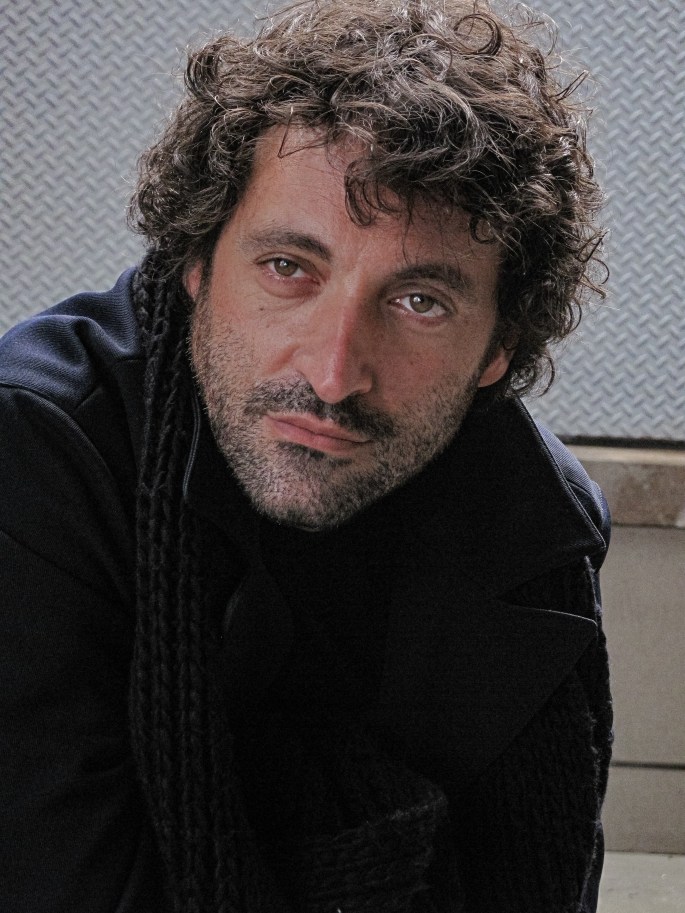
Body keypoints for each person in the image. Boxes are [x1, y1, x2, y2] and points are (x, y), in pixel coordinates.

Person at [0, 1, 612, 911]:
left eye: (418, 302)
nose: (332, 374)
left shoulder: (537, 528)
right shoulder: (40, 452)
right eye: (289, 267)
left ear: (497, 347)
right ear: (196, 263)